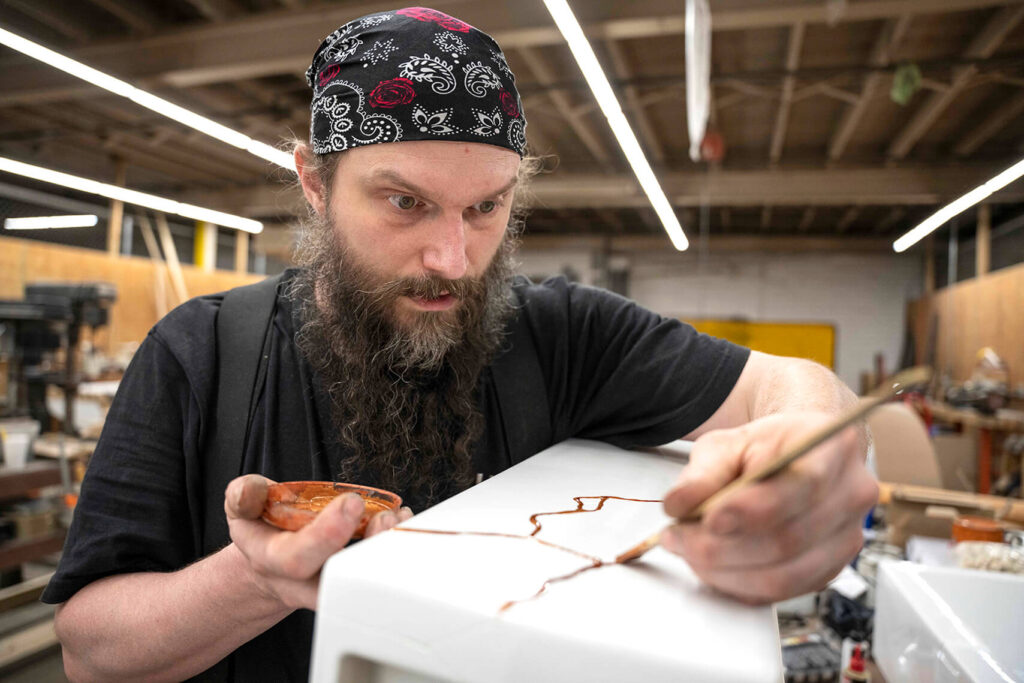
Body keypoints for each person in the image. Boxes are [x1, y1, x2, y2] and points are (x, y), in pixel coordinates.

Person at [46, 7, 877, 682]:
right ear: (313, 181)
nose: (454, 258)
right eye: (405, 202)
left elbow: (791, 386)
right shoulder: (201, 355)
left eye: (486, 208)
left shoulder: (562, 336)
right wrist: (255, 578)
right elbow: (90, 650)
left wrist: (808, 447)